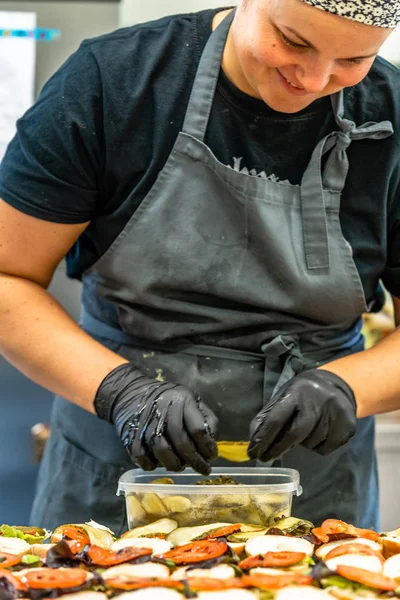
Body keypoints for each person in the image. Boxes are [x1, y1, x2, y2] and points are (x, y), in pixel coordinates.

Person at [0, 0, 399, 535]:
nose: (312, 78)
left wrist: (348, 387)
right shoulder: (114, 81)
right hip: (119, 461)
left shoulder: (394, 113)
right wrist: (122, 391)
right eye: (293, 41)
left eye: (354, 59)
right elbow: (8, 276)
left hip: (313, 474)